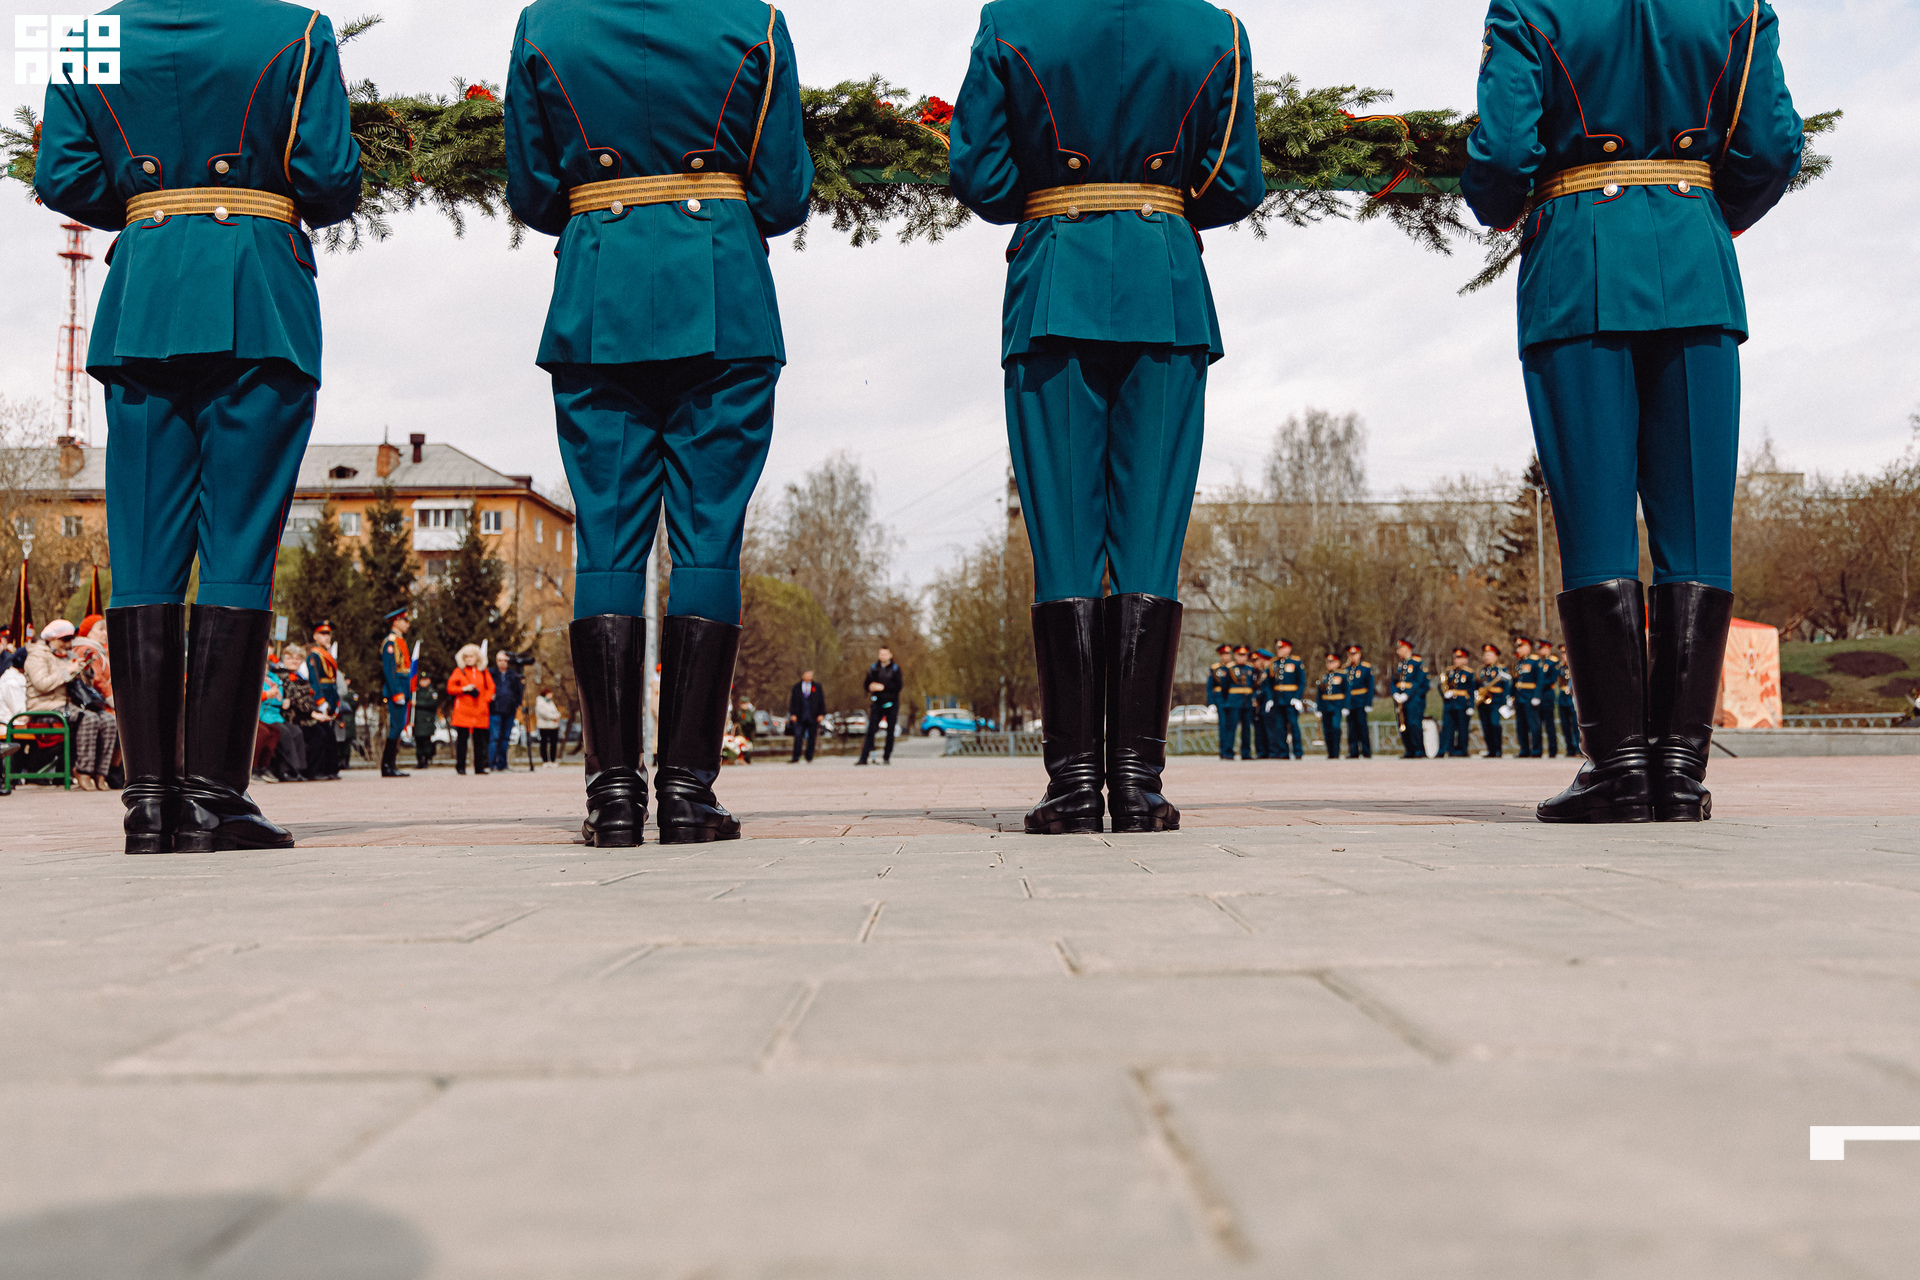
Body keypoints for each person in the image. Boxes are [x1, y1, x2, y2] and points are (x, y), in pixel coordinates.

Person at [1464, 0, 1802, 823]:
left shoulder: (1529, 6)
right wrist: (1700, 211)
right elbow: (1770, 146)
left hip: (1578, 262)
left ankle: (1618, 770)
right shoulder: (1738, 6)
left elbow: (1503, 154)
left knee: (1596, 525)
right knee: (1698, 528)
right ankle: (1680, 774)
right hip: (1695, 257)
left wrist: (1498, 202)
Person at [36, 0, 358, 852]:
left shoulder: (89, 36)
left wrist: (155, 203)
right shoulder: (298, 30)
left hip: (144, 296)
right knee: (239, 547)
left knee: (142, 551)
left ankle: (147, 802)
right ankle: (215, 797)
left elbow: (62, 175)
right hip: (257, 294)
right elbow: (328, 180)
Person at [949, 0, 1263, 836]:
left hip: (1056, 276)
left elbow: (980, 175)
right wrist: (1156, 198)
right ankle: (1138, 783)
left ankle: (1075, 784)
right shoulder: (1217, 32)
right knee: (1151, 543)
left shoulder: (1011, 22)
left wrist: (1057, 194)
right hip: (1165, 282)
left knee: (1063, 543)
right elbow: (1235, 182)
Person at [507, 0, 811, 848]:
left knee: (606, 543)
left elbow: (534, 192)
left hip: (598, 288)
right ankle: (686, 792)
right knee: (708, 542)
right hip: (721, 291)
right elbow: (782, 193)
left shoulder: (543, 25)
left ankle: (611, 798)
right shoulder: (753, 23)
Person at [446, 645, 496, 776]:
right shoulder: (459, 671)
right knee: (462, 740)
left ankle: (479, 767)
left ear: (477, 658)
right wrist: (463, 689)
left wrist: (485, 700)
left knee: (479, 741)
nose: (469, 659)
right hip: (463, 711)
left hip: (479, 711)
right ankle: (460, 767)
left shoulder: (483, 672)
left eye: (471, 656)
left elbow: (491, 688)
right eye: (466, 657)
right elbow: (450, 687)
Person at [305, 623, 343, 778]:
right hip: (320, 697)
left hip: (330, 695)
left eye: (328, 634)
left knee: (329, 733)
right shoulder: (314, 655)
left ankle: (330, 769)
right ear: (315, 636)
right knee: (323, 733)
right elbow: (314, 680)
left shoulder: (327, 654)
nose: (326, 637)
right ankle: (318, 769)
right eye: (322, 634)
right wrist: (320, 700)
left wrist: (335, 700)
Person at [273, 645, 315, 782]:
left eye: (298, 658)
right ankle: (286, 770)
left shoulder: (300, 677)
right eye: (290, 658)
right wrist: (312, 713)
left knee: (298, 732)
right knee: (289, 734)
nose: (294, 661)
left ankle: (299, 769)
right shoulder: (281, 675)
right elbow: (295, 698)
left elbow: (308, 697)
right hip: (287, 714)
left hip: (295, 714)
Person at [379, 609, 413, 779]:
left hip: (403, 687)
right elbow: (390, 670)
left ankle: (391, 765)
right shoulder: (390, 643)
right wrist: (397, 692)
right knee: (396, 727)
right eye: (405, 620)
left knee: (399, 727)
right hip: (396, 689)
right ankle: (387, 766)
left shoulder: (400, 641)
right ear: (396, 621)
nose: (408, 624)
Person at [856, 647, 903, 766]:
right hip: (877, 703)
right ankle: (864, 757)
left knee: (890, 730)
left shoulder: (895, 669)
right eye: (881, 654)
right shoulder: (874, 668)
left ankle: (886, 756)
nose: (883, 656)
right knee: (871, 730)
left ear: (890, 655)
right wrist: (870, 687)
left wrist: (883, 687)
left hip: (891, 703)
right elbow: (867, 684)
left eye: (885, 654)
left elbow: (898, 686)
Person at [1391, 639, 1430, 759]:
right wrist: (1395, 693)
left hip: (1414, 699)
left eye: (1400, 648)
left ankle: (1419, 749)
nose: (1398, 651)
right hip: (1400, 698)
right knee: (1403, 724)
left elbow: (1419, 682)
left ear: (1407, 648)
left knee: (1414, 724)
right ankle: (1409, 749)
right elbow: (1394, 681)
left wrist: (1407, 694)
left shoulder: (1417, 663)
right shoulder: (1399, 665)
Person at [1270, 640, 1307, 760]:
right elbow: (1269, 683)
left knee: (1294, 725)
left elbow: (1301, 682)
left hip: (1290, 699)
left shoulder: (1296, 662)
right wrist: (1270, 698)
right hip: (1278, 699)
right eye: (1278, 648)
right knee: (1280, 727)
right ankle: (1283, 751)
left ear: (1288, 649)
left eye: (1281, 648)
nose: (1279, 650)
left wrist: (1297, 697)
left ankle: (1297, 751)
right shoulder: (1274, 663)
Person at [488, 651, 524, 772]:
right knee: (494, 738)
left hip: (509, 710)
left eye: (505, 660)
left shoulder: (513, 675)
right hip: (495, 710)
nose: (502, 663)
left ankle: (502, 764)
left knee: (505, 738)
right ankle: (491, 764)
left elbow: (519, 690)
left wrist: (517, 704)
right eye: (500, 660)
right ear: (496, 661)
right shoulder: (491, 674)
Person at [1510, 637, 1545, 758]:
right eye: (1517, 647)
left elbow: (1540, 680)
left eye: (1521, 647)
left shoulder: (1535, 661)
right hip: (1519, 697)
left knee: (1534, 724)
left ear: (1528, 647)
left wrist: (1537, 696)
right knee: (1521, 725)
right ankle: (1524, 750)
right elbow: (1515, 681)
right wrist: (1511, 696)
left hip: (1530, 697)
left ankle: (1536, 750)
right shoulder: (1519, 663)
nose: (1518, 650)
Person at [1438, 649, 1476, 758]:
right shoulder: (1449, 671)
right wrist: (1444, 694)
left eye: (1459, 658)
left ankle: (1462, 750)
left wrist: (1471, 706)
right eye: (1455, 658)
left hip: (1462, 703)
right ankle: (1444, 749)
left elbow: (1472, 691)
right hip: (1450, 704)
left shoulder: (1469, 673)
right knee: (1447, 727)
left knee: (1462, 728)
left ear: (1465, 660)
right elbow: (1441, 685)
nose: (1456, 660)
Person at [253, 648, 284, 782]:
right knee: (262, 732)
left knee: (274, 732)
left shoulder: (270, 679)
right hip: (253, 715)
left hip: (265, 715)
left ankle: (263, 767)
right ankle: (253, 769)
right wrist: (266, 695)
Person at [1476, 644, 1512, 758]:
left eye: (1490, 655)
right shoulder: (1481, 670)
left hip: (1496, 701)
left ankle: (1498, 749)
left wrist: (1504, 702)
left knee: (1494, 724)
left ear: (1496, 656)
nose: (1487, 657)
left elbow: (1506, 687)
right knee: (1485, 726)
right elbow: (1477, 684)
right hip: (1483, 702)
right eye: (1485, 654)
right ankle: (1490, 750)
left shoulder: (1501, 669)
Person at [1343, 645, 1376, 760]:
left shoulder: (1365, 668)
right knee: (1351, 728)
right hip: (1350, 702)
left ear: (1359, 655)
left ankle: (1366, 751)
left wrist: (1368, 703)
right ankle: (1353, 751)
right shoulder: (1345, 669)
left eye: (1355, 654)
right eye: (1350, 654)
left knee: (1362, 727)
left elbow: (1370, 686)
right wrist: (1345, 704)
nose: (1353, 657)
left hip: (1361, 701)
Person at [1315, 654, 1349, 760]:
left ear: (1338, 663)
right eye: (1328, 662)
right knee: (1327, 729)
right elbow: (1319, 693)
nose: (1329, 664)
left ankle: (1335, 752)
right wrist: (1319, 708)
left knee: (1335, 728)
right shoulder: (1323, 676)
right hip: (1326, 706)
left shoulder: (1343, 675)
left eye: (1332, 662)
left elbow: (1347, 691)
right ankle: (1330, 752)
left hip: (1337, 705)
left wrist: (1346, 706)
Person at [788, 669, 825, 764]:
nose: (809, 677)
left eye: (810, 675)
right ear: (803, 675)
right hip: (800, 716)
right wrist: (792, 714)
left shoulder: (817, 687)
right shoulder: (796, 687)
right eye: (807, 675)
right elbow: (792, 701)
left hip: (813, 716)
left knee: (812, 737)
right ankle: (796, 757)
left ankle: (809, 757)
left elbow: (821, 701)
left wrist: (821, 714)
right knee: (798, 737)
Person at [1535, 639, 1563, 757]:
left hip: (1547, 695)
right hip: (1537, 696)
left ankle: (1552, 750)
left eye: (1542, 648)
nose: (1540, 651)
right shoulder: (1537, 662)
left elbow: (1552, 679)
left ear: (1548, 649)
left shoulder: (1553, 662)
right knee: (1537, 725)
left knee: (1549, 724)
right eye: (1539, 649)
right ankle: (1538, 750)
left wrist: (1538, 686)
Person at [1207, 645, 1235, 760]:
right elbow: (1210, 687)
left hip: (1232, 698)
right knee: (1223, 725)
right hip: (1220, 699)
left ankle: (1230, 750)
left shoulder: (1234, 667)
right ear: (1220, 655)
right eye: (1224, 654)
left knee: (1232, 725)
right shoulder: (1215, 668)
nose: (1226, 657)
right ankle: (1223, 751)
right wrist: (1211, 702)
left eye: (1228, 654)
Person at [1251, 649, 1280, 759]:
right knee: (1261, 728)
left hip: (1268, 702)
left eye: (1257, 660)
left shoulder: (1269, 671)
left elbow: (1267, 688)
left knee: (1270, 728)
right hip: (1261, 704)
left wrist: (1266, 698)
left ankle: (1273, 751)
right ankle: (1263, 751)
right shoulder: (1260, 672)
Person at [412, 667, 441, 772]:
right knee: (418, 741)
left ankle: (426, 759)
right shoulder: (416, 692)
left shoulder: (432, 692)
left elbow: (432, 704)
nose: (423, 682)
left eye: (425, 680)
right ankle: (419, 760)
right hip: (417, 721)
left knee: (426, 741)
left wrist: (417, 704)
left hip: (427, 721)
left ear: (429, 681)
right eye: (422, 680)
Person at [1555, 651, 1582, 757]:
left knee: (1576, 725)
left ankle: (1579, 749)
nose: (1563, 656)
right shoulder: (1560, 668)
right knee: (1565, 725)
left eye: (1565, 653)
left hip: (1573, 698)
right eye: (1562, 654)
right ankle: (1570, 749)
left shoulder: (1575, 667)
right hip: (1563, 698)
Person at [535, 688, 563, 768]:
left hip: (553, 726)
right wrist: (553, 717)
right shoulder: (540, 702)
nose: (551, 695)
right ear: (545, 694)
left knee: (553, 744)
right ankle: (545, 761)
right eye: (550, 693)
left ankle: (553, 760)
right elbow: (543, 713)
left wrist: (558, 716)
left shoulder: (551, 702)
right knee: (544, 743)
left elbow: (556, 711)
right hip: (544, 726)